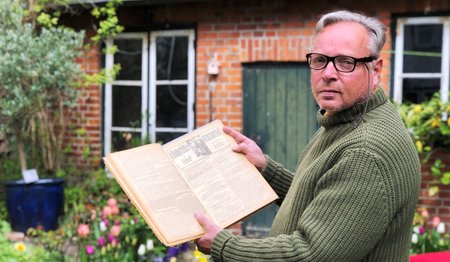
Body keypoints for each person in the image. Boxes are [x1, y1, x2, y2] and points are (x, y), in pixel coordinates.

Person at [194, 10, 421, 261]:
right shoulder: (344, 120)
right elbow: (324, 202)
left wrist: (223, 246)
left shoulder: (365, 150)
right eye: (320, 59)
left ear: (375, 69)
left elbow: (310, 254)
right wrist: (266, 169)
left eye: (346, 62)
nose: (328, 73)